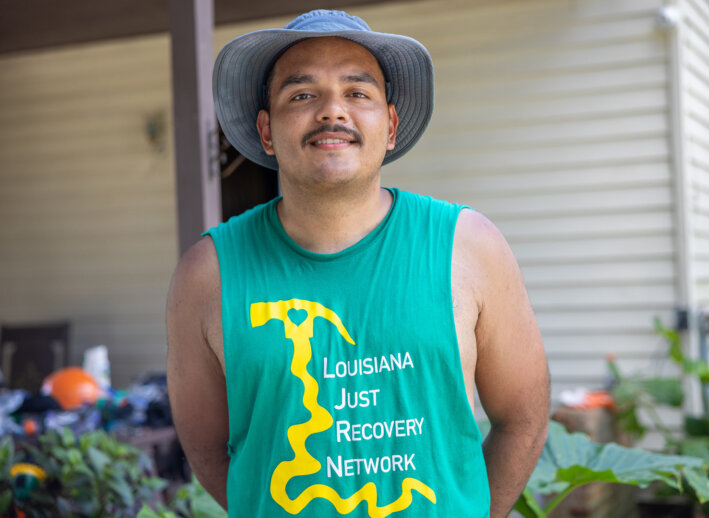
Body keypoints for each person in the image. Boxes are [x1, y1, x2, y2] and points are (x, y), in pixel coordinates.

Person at [166, 9, 549, 518]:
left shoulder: (468, 245)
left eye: (357, 93)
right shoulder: (208, 273)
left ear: (389, 125)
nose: (331, 112)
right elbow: (208, 450)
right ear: (266, 131)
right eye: (301, 95)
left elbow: (523, 418)